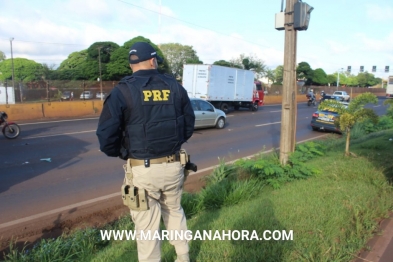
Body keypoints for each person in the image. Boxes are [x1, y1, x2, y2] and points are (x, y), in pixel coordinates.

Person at [96, 42, 195, 262]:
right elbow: (189, 125)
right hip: (174, 165)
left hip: (143, 170)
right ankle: (183, 256)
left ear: (132, 64)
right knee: (174, 210)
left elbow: (105, 137)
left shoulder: (122, 91)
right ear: (152, 61)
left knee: (147, 226)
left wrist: (124, 153)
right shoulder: (175, 87)